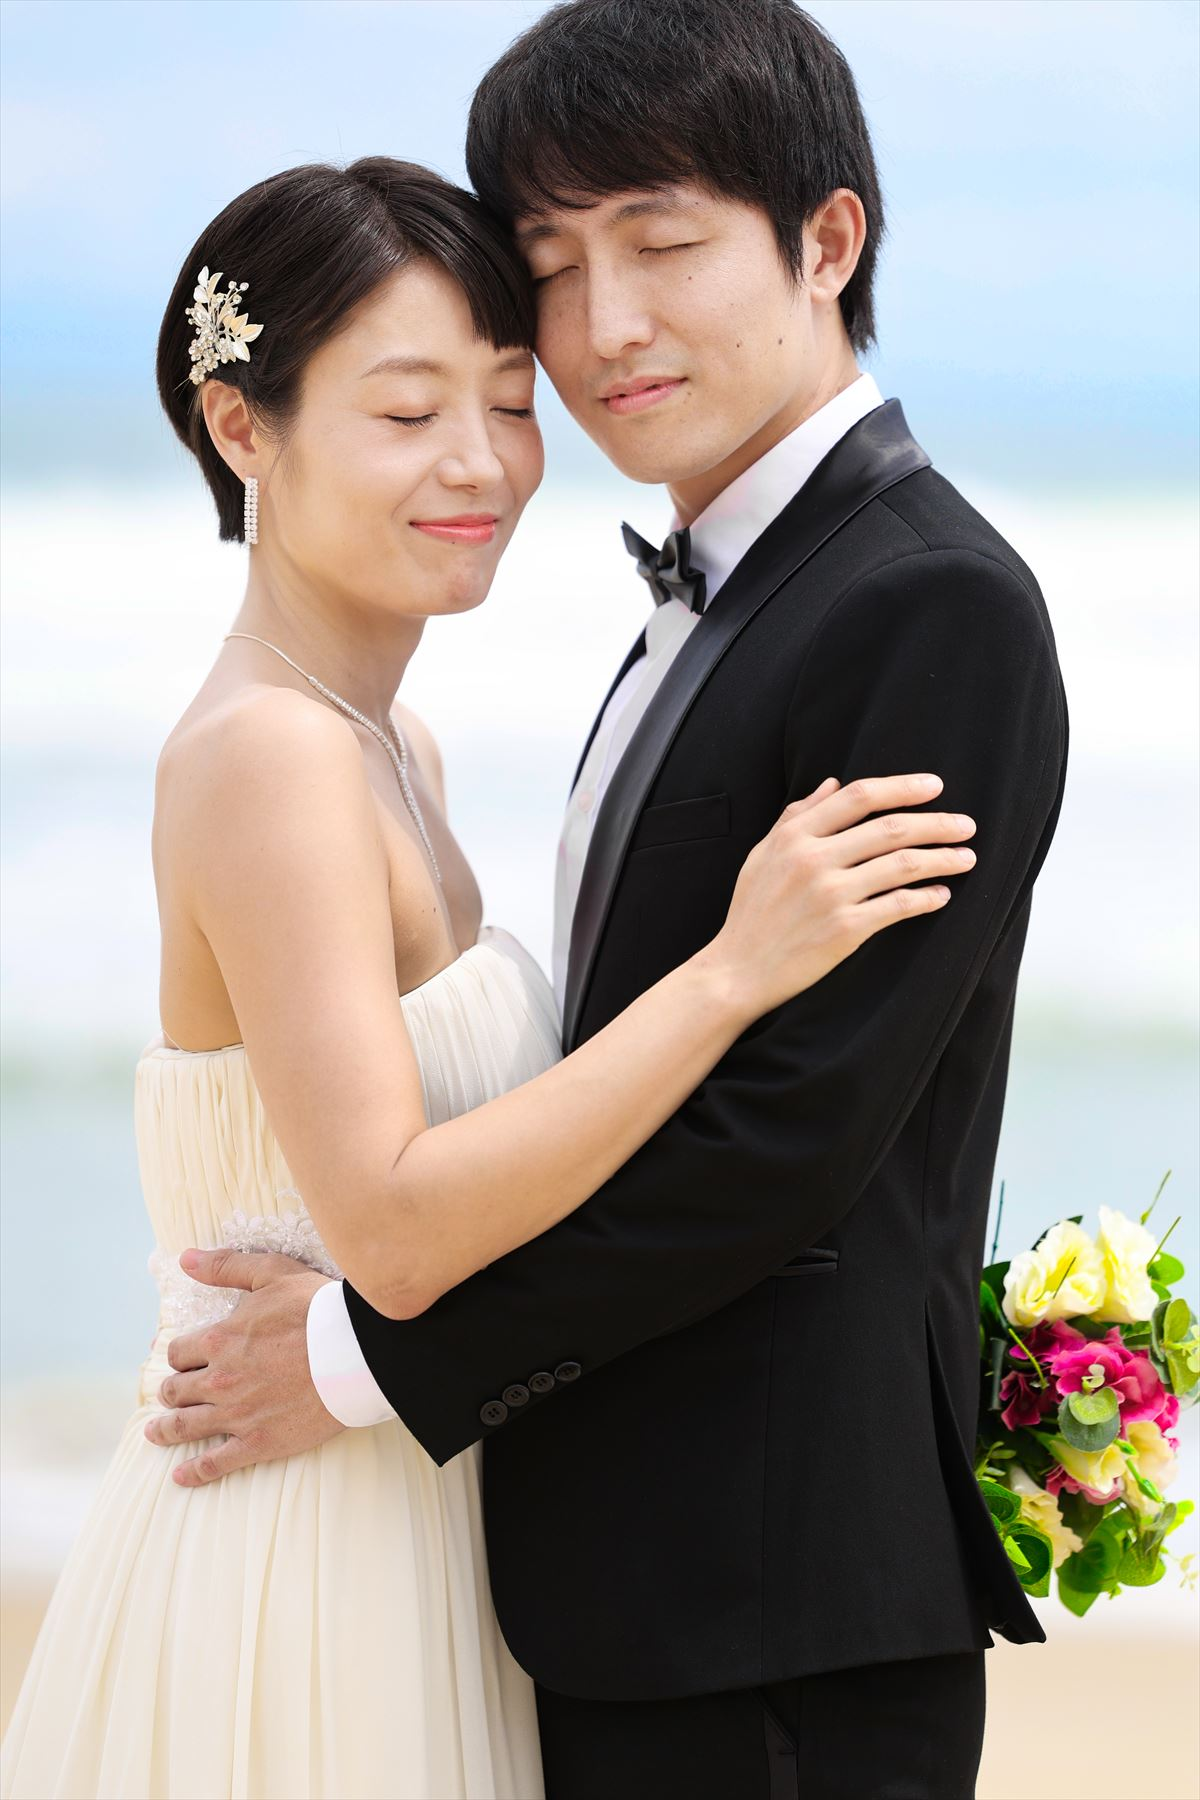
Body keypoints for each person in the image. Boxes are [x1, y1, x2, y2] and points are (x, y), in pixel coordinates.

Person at [132, 4, 1071, 1796]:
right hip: (616, 1585)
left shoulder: (925, 601)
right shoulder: (714, 596)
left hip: (765, 1596)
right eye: (554, 268)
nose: (603, 328)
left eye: (660, 244)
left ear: (826, 242)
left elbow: (782, 1142)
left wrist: (357, 1362)